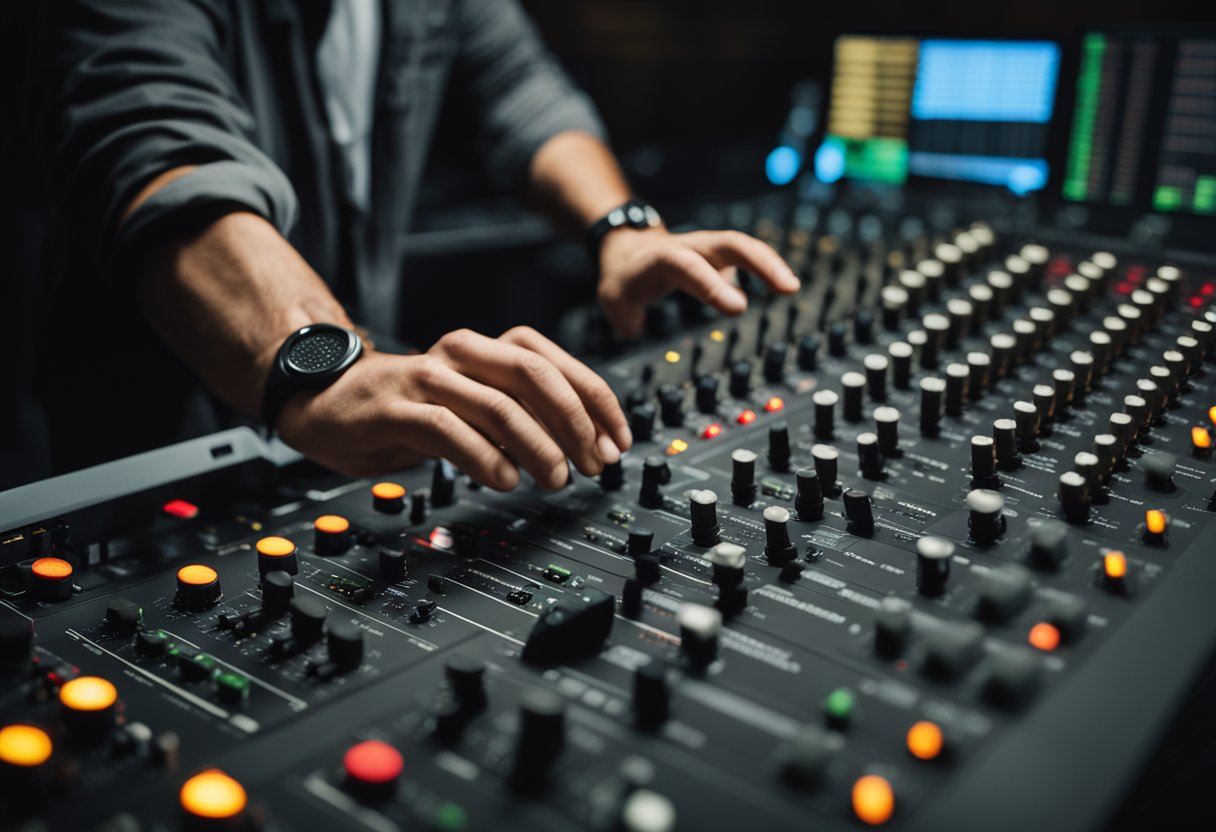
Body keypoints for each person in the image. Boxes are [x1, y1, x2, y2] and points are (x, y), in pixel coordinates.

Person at [38, 0, 799, 487]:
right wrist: (320, 369)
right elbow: (150, 134)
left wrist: (623, 229)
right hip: (147, 458)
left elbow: (522, 92)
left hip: (354, 424)